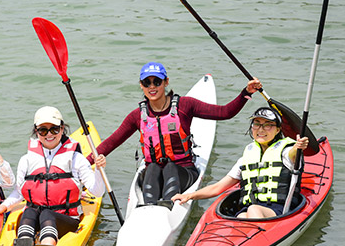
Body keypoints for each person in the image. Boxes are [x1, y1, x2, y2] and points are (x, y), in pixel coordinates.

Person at [89, 61, 263, 206]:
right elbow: (110, 143)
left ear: (166, 82)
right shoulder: (137, 116)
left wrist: (246, 93)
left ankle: (166, 207)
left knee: (171, 168)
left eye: (156, 82)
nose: (152, 87)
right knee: (153, 168)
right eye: (147, 83)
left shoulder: (185, 106)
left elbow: (225, 112)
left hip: (184, 171)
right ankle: (149, 208)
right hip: (153, 175)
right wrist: (79, 163)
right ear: (141, 86)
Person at [0, 106, 106, 246]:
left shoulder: (76, 159)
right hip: (35, 220)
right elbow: (19, 193)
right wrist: (3, 207)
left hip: (66, 220)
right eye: (43, 130)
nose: (49, 134)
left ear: (62, 129)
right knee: (30, 212)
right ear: (36, 132)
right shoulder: (27, 160)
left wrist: (100, 172)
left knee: (47, 213)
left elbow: (97, 191)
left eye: (54, 129)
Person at [171, 107, 309, 218]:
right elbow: (218, 187)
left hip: (278, 210)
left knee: (252, 210)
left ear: (278, 129)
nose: (261, 130)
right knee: (242, 215)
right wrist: (189, 196)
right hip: (250, 211)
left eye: (268, 125)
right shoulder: (246, 157)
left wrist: (298, 147)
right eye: (257, 124)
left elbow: (293, 155)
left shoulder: (287, 151)